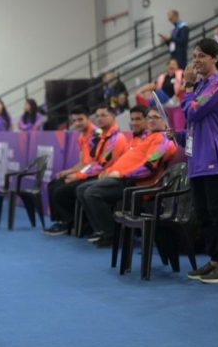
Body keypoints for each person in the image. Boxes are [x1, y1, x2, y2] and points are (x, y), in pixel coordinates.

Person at [176, 38, 218, 284]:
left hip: (214, 158)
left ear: (215, 58)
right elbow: (193, 123)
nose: (196, 61)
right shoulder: (202, 86)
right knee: (203, 214)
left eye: (201, 56)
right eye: (194, 56)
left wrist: (188, 88)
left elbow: (194, 111)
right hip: (197, 160)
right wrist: (178, 135)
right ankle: (214, 261)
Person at [77, 106, 176, 247]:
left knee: (91, 193)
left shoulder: (164, 140)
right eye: (149, 117)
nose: (151, 120)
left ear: (166, 121)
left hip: (135, 184)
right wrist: (110, 170)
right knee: (81, 189)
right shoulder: (146, 137)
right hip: (122, 179)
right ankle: (102, 231)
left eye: (156, 117)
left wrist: (121, 174)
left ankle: (113, 236)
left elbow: (149, 167)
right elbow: (126, 160)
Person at [43, 104, 128, 236]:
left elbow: (101, 165)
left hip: (104, 176)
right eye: (98, 116)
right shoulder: (98, 136)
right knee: (53, 185)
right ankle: (68, 222)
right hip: (93, 172)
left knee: (62, 191)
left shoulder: (104, 136)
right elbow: (90, 161)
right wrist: (72, 172)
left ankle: (77, 223)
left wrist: (78, 175)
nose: (100, 119)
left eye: (104, 115)